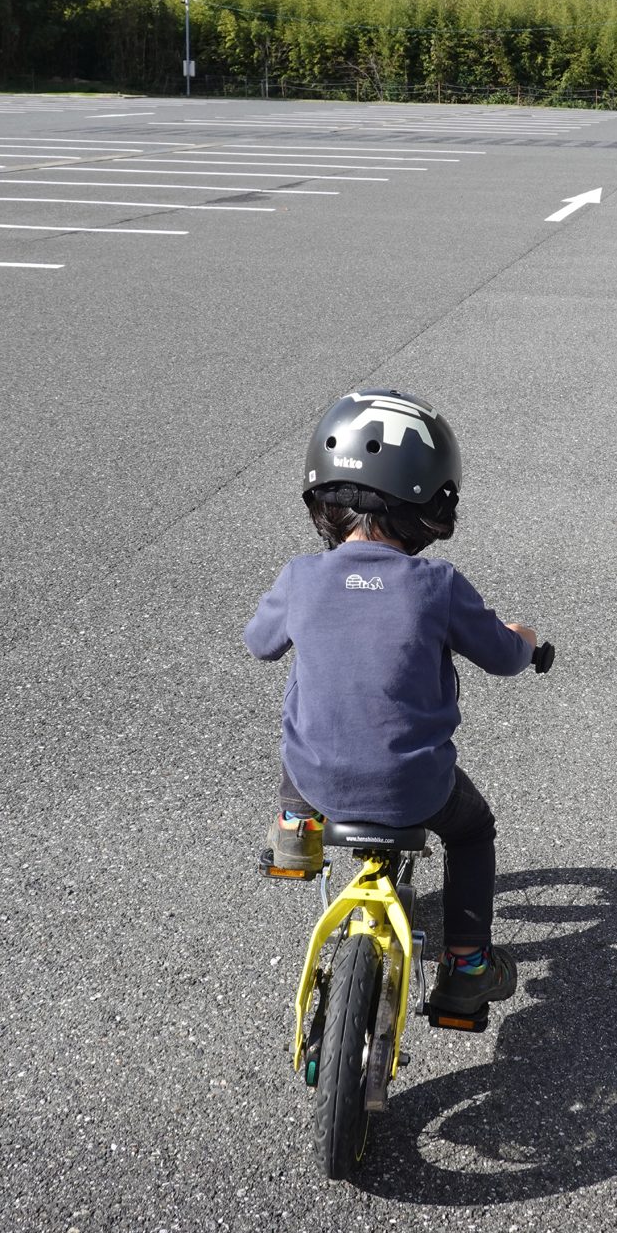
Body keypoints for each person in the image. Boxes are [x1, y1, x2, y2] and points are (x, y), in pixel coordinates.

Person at [243, 389, 537, 1017]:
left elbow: (259, 644)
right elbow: (505, 658)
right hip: (416, 788)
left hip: (317, 780)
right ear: (432, 501)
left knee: (311, 715)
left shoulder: (300, 577)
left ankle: (295, 831)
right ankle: (467, 967)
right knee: (472, 831)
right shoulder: (439, 585)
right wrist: (525, 640)